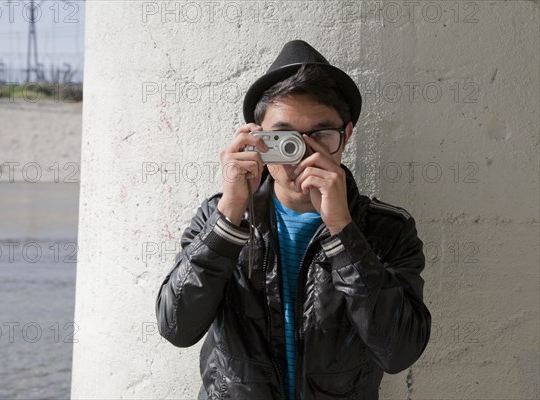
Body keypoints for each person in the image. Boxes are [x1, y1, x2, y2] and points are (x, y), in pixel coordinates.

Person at [155, 40, 431, 400]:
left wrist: (343, 232)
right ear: (256, 138)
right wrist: (231, 211)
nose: (300, 154)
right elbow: (177, 327)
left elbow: (399, 351)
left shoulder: (386, 229)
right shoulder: (219, 216)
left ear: (346, 135)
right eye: (283, 139)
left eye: (320, 136)